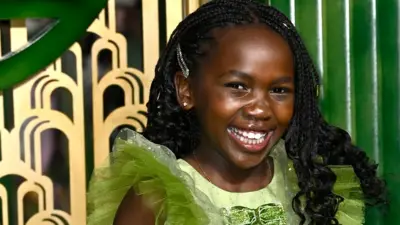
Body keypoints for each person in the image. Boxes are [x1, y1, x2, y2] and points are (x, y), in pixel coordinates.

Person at [87, 0, 386, 224]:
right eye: (238, 86)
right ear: (187, 91)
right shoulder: (156, 198)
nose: (260, 108)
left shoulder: (308, 188)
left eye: (279, 90)